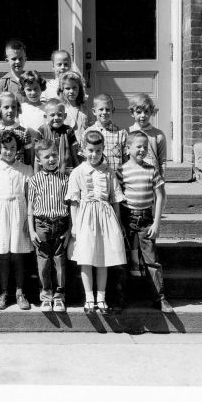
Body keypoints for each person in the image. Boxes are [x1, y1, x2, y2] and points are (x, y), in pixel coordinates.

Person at [66, 130, 127, 314]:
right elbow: (74, 202)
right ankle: (89, 298)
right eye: (91, 150)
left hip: (105, 219)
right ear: (84, 150)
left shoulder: (108, 172)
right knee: (86, 258)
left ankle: (101, 298)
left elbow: (115, 199)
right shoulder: (77, 172)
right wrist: (75, 226)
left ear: (103, 150)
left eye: (98, 150)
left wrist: (118, 223)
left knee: (103, 259)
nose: (94, 154)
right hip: (85, 219)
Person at [117, 131, 172, 313]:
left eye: (145, 147)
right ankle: (118, 298)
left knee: (152, 261)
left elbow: (160, 195)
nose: (142, 150)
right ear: (128, 148)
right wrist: (119, 224)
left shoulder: (151, 170)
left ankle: (160, 298)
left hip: (146, 219)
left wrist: (157, 223)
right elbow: (116, 199)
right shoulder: (121, 171)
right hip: (126, 218)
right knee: (122, 259)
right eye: (138, 146)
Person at [0, 130, 34, 310]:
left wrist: (27, 221)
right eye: (5, 148)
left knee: (18, 254)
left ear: (18, 149)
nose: (9, 151)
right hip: (1, 214)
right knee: (3, 255)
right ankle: (3, 292)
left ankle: (20, 292)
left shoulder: (25, 169)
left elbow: (30, 197)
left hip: (19, 213)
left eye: (13, 147)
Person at [27, 139, 71, 312]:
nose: (52, 159)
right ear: (39, 160)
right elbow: (30, 207)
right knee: (43, 261)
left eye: (54, 155)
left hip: (61, 224)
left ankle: (59, 296)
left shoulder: (65, 179)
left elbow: (70, 204)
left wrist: (69, 230)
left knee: (59, 260)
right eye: (47, 157)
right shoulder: (35, 180)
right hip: (41, 224)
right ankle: (46, 295)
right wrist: (31, 230)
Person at [83, 94, 128, 172]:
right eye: (101, 109)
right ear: (94, 111)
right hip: (95, 178)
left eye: (107, 109)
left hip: (116, 179)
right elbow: (83, 157)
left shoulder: (121, 133)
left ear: (112, 111)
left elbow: (126, 159)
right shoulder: (87, 133)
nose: (104, 112)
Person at [0, 92, 34, 166]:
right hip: (0, 172)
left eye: (13, 107)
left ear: (17, 108)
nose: (10, 110)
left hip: (19, 172)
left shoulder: (24, 132)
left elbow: (28, 157)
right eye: (6, 107)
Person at [36, 99, 80, 174]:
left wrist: (78, 170)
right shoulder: (41, 131)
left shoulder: (68, 131)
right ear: (45, 116)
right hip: (46, 174)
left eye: (59, 114)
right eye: (52, 115)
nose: (56, 118)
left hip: (66, 172)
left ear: (65, 116)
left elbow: (74, 154)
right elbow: (37, 156)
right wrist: (36, 175)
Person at [128, 93, 167, 177]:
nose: (143, 115)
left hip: (152, 179)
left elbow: (162, 161)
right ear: (132, 113)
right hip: (132, 178)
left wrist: (161, 179)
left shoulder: (158, 135)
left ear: (151, 112)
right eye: (138, 112)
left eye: (146, 111)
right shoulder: (127, 133)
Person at [57, 71, 93, 147]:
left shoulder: (86, 111)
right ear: (62, 90)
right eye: (67, 88)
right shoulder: (60, 110)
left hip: (83, 149)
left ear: (79, 88)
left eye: (74, 88)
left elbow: (92, 131)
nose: (71, 91)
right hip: (66, 149)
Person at [0, 39, 27, 103]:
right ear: (7, 60)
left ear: (25, 59)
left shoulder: (30, 79)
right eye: (14, 59)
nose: (17, 61)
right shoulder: (3, 83)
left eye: (20, 58)